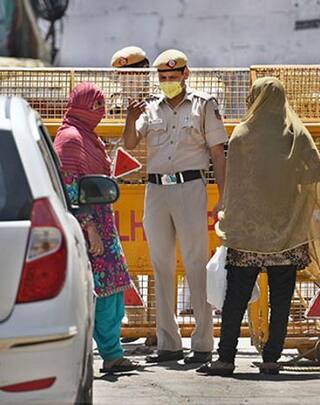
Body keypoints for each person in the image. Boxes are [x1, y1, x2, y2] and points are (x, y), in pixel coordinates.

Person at [197, 77, 320, 376]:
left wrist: (233, 223)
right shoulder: (297, 135)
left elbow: (236, 189)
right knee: (281, 300)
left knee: (235, 298)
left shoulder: (242, 136)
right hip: (287, 234)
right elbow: (313, 178)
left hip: (248, 236)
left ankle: (225, 358)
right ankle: (271, 359)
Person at [122, 49, 227, 364]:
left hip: (190, 187)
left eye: (173, 76)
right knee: (161, 265)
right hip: (155, 189)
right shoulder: (150, 107)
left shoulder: (204, 105)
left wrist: (224, 196)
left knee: (196, 264)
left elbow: (219, 153)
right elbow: (129, 143)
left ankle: (203, 342)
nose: (168, 82)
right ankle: (168, 342)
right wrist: (129, 119)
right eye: (163, 78)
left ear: (186, 74)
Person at [54, 82, 139, 373]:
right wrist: (89, 228)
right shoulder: (71, 139)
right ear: (80, 107)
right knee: (101, 290)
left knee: (113, 286)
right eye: (96, 106)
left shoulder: (87, 136)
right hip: (88, 225)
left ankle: (112, 352)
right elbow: (69, 189)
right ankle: (109, 355)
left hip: (102, 222)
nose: (102, 112)